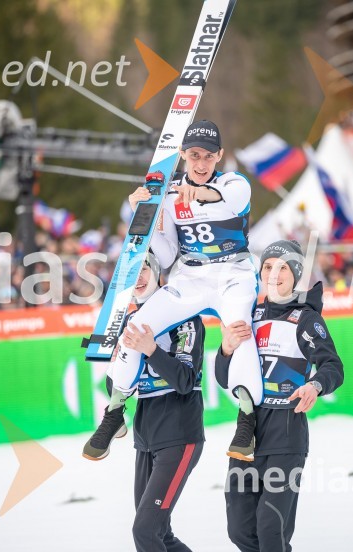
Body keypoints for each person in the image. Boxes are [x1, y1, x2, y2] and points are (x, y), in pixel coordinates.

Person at [87, 120, 263, 460]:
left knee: (239, 330)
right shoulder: (169, 194)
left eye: (208, 156)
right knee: (136, 327)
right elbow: (166, 255)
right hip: (190, 277)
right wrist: (144, 214)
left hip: (232, 273)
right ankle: (115, 411)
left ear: (220, 156)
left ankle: (246, 419)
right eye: (194, 155)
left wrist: (199, 194)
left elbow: (233, 202)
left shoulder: (233, 182)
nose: (201, 164)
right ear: (182, 154)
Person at [216, 240, 345, 552]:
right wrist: (226, 349)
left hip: (286, 438)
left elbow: (333, 366)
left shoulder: (305, 318)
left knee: (271, 529)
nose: (274, 273)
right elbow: (223, 378)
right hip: (246, 437)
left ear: (296, 274)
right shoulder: (248, 314)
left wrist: (315, 386)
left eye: (283, 267)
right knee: (239, 531)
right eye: (268, 266)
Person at [84, 254, 205, 552]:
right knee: (160, 535)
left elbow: (185, 381)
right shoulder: (127, 321)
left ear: (157, 272)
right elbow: (118, 387)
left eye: (144, 269)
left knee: (145, 531)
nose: (138, 277)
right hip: (146, 438)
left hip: (179, 434)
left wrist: (151, 349)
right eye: (132, 272)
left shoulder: (185, 317)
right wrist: (115, 361)